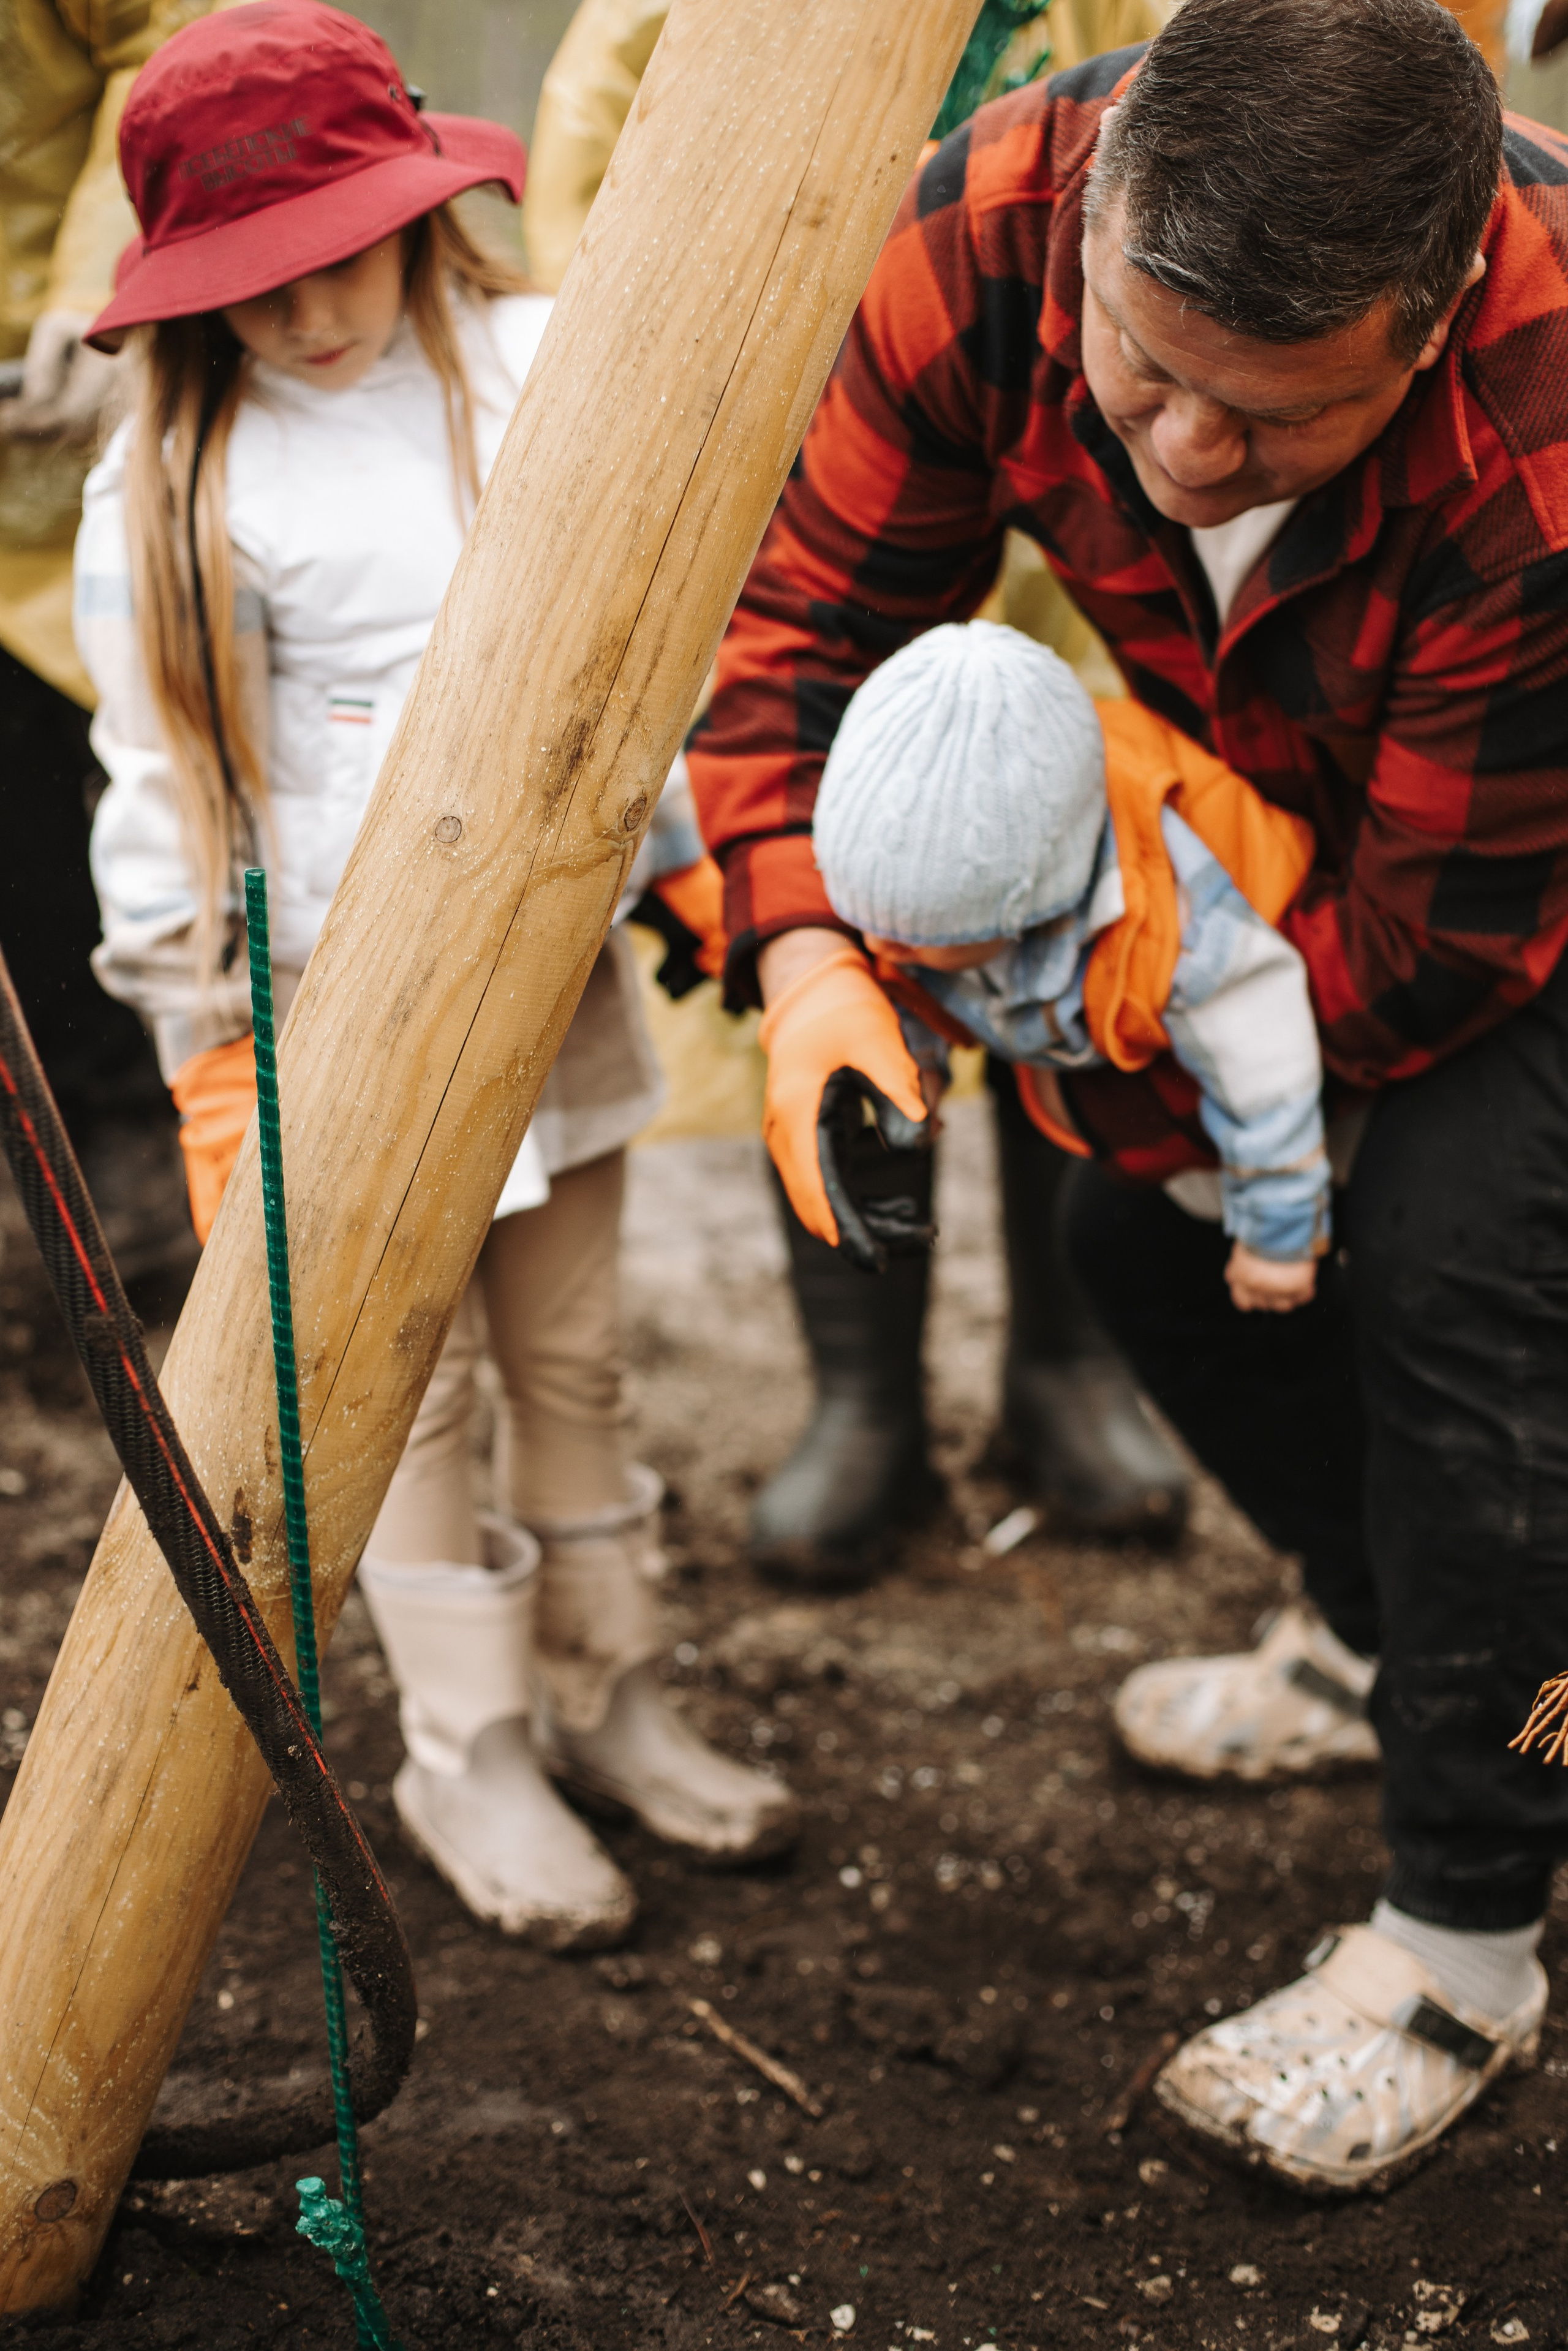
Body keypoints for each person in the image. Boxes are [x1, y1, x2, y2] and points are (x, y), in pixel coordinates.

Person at [688, 0, 1568, 2191]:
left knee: (1457, 1287)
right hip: (1259, 844)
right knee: (1130, 1247)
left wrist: (1130, 1051)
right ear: (1093, 219)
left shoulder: (1549, 425)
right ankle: (1388, 1640)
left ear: (1428, 317)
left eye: (1270, 415)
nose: (1178, 447)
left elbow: (1428, 957)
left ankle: (1464, 1932)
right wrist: (805, 959)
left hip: (1504, 878)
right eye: (1142, 366)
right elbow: (798, 642)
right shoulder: (976, 232)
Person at [75, 0, 796, 1953]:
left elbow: (655, 641)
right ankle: (469, 1748)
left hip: (548, 971)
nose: (308, 313)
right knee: (415, 1380)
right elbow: (160, 780)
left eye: (340, 254)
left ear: (416, 212)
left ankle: (610, 1686)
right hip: (335, 1016)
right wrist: (201, 1038)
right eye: (254, 280)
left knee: (572, 1351)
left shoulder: (536, 364)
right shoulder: (178, 482)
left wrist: (687, 855)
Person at [525, 0, 1195, 1584]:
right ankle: (864, 1393)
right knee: (833, 889)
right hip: (805, 463)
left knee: (1076, 897)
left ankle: (1064, 1362)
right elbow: (595, 195)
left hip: (1066, 483)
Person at [808, 619, 1331, 1316]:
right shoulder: (928, 911)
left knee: (1163, 1246)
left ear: (1025, 907)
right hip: (1087, 1027)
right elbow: (908, 988)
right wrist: (915, 1074)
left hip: (1312, 1043)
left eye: (912, 936)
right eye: (868, 920)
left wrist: (1280, 1232)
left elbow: (1266, 1062)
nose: (882, 946)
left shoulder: (1178, 930)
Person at [0, 0, 218, 1296]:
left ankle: (127, 1147)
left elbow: (164, 30)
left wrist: (101, 279)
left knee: (69, 793)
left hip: (71, 387)